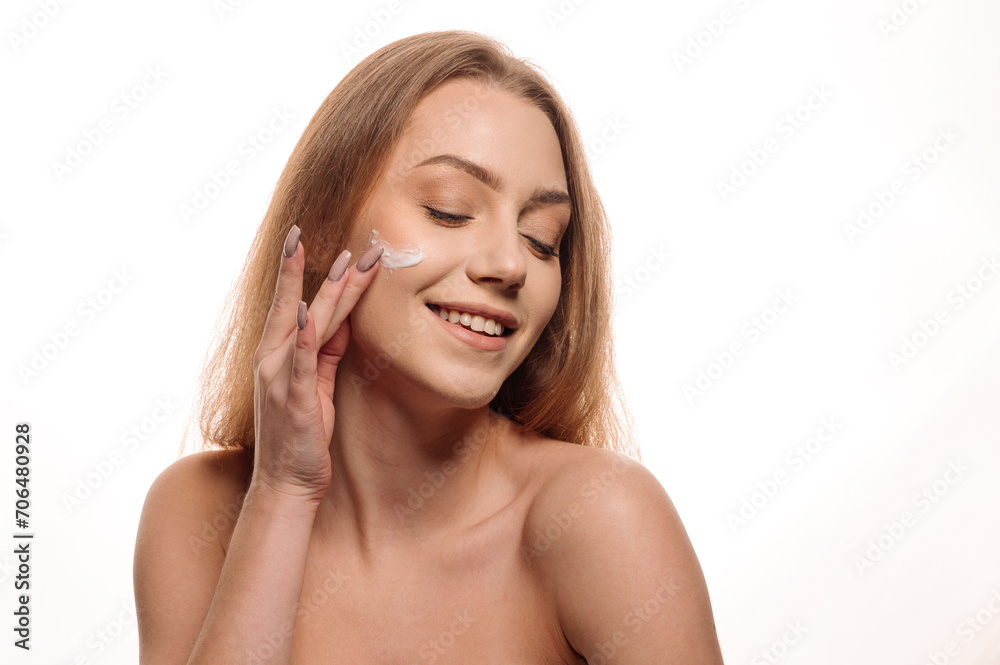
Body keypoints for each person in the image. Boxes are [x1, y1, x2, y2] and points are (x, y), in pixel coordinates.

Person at [133, 29, 724, 664]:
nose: (510, 265)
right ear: (326, 222)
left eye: (542, 238)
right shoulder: (197, 513)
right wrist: (282, 492)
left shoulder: (602, 518)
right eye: (450, 210)